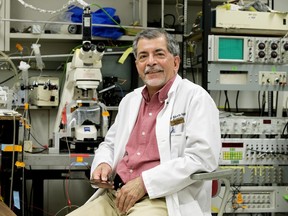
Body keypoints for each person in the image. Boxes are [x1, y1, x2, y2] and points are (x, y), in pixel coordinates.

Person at [67, 28, 221, 216]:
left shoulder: (195, 98)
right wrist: (103, 164)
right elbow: (110, 145)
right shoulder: (130, 101)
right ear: (137, 65)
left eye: (159, 54)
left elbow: (202, 158)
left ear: (176, 62)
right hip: (116, 196)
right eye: (143, 56)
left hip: (163, 198)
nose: (150, 62)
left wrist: (145, 183)